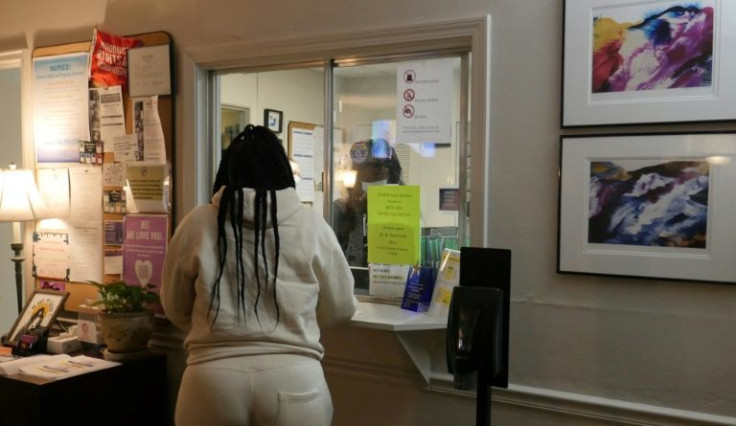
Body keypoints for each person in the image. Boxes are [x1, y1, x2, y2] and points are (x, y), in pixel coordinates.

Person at [161, 124, 357, 426]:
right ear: (282, 170)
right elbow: (341, 308)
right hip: (296, 380)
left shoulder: (197, 224)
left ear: (226, 172)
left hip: (211, 383)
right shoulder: (311, 225)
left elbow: (174, 307)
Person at [334, 138, 403, 267]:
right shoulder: (340, 208)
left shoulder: (402, 207)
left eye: (378, 175)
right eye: (364, 175)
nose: (371, 179)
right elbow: (334, 256)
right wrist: (357, 211)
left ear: (390, 175)